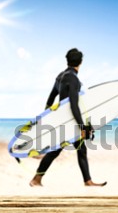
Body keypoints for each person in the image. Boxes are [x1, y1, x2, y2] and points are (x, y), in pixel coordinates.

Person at [29, 48, 106, 187]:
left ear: (67, 61)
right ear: (81, 62)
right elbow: (73, 105)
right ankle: (36, 179)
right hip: (71, 121)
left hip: (63, 120)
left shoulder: (60, 77)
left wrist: (48, 117)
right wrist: (82, 126)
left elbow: (51, 98)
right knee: (58, 151)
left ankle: (86, 181)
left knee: (76, 149)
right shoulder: (74, 79)